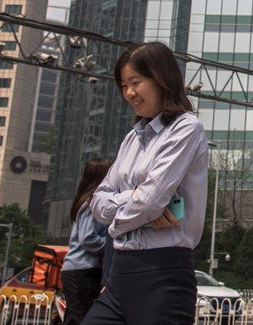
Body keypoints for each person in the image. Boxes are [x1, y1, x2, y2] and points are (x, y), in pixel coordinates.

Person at [83, 42, 209, 325]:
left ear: (161, 78)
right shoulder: (132, 138)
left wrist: (118, 222)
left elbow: (150, 200)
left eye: (136, 82)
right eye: (124, 85)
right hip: (120, 274)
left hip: (163, 275)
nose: (129, 93)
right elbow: (98, 200)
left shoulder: (186, 129)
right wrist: (139, 208)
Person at [62, 158, 112, 325]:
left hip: (83, 269)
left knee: (74, 319)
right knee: (85, 318)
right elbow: (87, 238)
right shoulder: (91, 203)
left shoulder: (93, 202)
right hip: (82, 269)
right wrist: (110, 246)